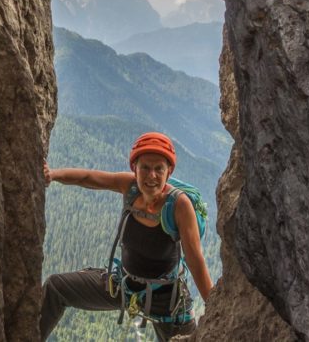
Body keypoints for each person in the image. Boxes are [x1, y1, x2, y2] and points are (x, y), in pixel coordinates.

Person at [40, 132, 214, 341]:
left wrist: (216, 307)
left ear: (169, 171)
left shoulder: (179, 205)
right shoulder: (130, 187)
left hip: (166, 299)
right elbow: (88, 178)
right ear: (135, 169)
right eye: (145, 168)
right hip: (124, 284)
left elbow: (195, 260)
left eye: (159, 168)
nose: (151, 176)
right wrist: (54, 174)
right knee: (56, 288)